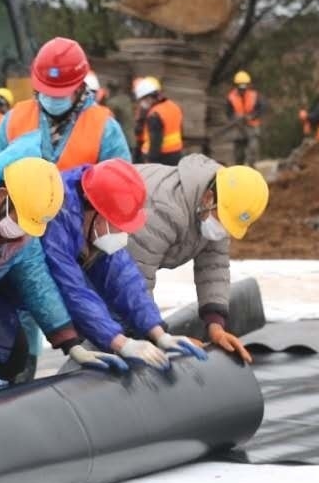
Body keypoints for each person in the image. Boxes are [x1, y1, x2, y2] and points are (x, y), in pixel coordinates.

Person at [0, 152, 125, 382]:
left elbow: (36, 282)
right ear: (1, 196)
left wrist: (71, 342)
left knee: (9, 352)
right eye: (21, 220)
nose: (23, 231)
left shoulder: (24, 231)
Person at [40, 159, 209, 368]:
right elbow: (73, 290)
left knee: (13, 356)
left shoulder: (94, 222)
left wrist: (159, 333)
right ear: (97, 214)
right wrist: (120, 343)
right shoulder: (58, 221)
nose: (123, 233)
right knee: (6, 351)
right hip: (0, 290)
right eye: (118, 225)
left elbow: (123, 277)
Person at [127, 157, 269, 365]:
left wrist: (216, 326)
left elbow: (214, 265)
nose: (223, 229)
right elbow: (135, 278)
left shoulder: (217, 210)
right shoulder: (164, 208)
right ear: (208, 198)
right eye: (222, 221)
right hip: (89, 238)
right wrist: (159, 336)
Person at [0, 37, 131, 169]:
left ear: (79, 86)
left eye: (60, 93)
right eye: (47, 91)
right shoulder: (14, 119)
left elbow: (120, 186)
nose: (52, 97)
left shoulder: (105, 128)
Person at [133, 76, 184, 165]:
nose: (141, 103)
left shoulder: (154, 114)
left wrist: (150, 163)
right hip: (176, 155)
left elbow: (155, 143)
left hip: (160, 159)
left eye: (142, 99)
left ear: (149, 97)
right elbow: (181, 131)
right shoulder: (174, 107)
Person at [226, 71, 265, 166]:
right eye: (240, 87)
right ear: (236, 86)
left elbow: (261, 108)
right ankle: (239, 169)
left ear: (248, 85)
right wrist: (234, 118)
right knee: (239, 153)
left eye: (244, 87)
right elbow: (228, 113)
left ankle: (252, 168)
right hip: (238, 127)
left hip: (251, 126)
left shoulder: (255, 95)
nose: (242, 90)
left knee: (253, 149)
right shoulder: (231, 97)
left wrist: (252, 116)